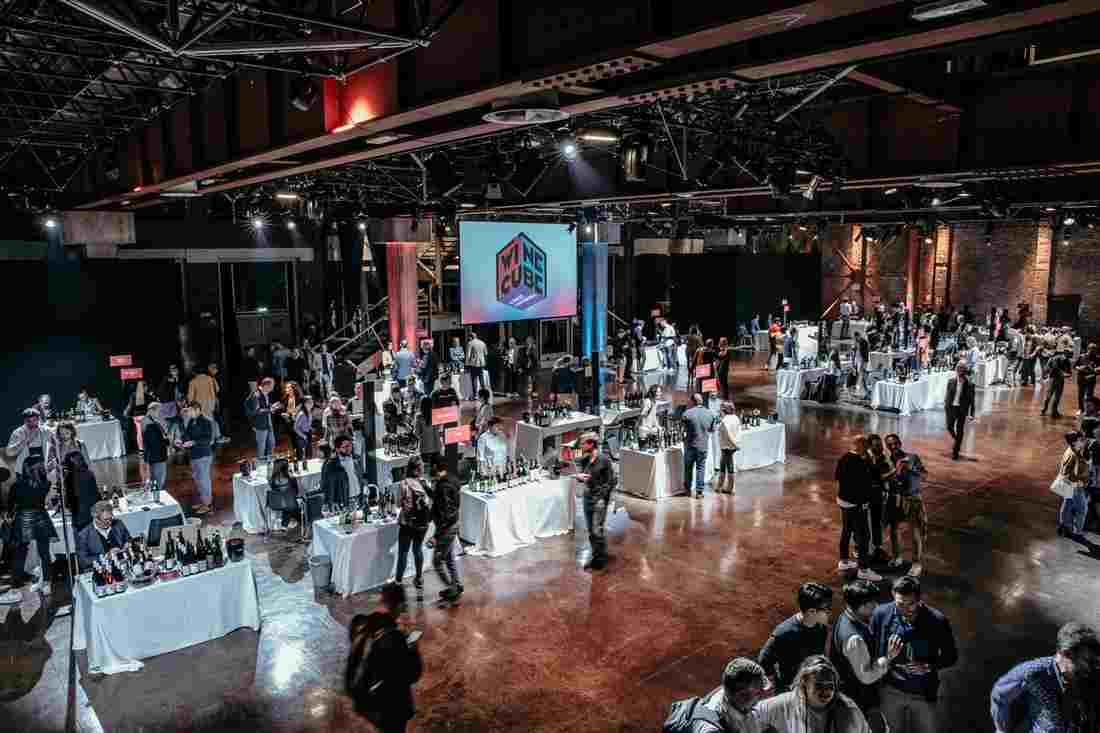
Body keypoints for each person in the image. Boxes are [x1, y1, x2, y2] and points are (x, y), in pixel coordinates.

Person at [870, 576, 958, 733]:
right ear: (893, 596)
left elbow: (951, 656)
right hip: (890, 691)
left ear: (919, 600)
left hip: (923, 693)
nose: (905, 610)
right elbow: (872, 650)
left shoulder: (937, 621)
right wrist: (888, 657)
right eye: (900, 604)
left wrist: (929, 666)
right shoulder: (880, 614)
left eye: (910, 604)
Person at [990, 622, 1100, 733]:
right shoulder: (1033, 672)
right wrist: (1002, 729)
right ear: (1067, 654)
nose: (1089, 666)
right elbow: (999, 695)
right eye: (1086, 660)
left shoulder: (1088, 676)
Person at [345, 583, 423, 733]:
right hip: (388, 707)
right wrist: (412, 647)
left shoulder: (360, 623)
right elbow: (413, 674)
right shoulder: (394, 638)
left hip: (364, 698)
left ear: (381, 600)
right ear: (400, 606)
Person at [831, 580, 904, 730]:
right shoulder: (855, 639)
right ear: (862, 606)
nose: (876, 606)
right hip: (858, 700)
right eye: (872, 603)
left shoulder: (846, 616)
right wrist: (889, 657)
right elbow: (866, 677)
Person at [751, 655, 871, 733]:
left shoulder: (848, 710)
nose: (826, 691)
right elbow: (751, 714)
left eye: (830, 686)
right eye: (819, 686)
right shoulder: (785, 704)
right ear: (804, 683)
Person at [758, 582, 834, 693]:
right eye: (827, 609)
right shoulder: (784, 633)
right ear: (812, 611)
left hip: (810, 686)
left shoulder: (821, 628)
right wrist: (781, 684)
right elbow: (764, 660)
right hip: (790, 690)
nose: (830, 613)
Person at [836, 436, 882, 581]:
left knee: (846, 531)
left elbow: (837, 477)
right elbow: (867, 484)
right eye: (867, 447)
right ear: (862, 446)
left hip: (843, 500)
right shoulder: (860, 463)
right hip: (856, 504)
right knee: (863, 536)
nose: (868, 449)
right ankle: (863, 570)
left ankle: (844, 562)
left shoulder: (844, 458)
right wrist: (865, 502)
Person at [6, 460, 57, 592]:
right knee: (44, 552)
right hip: (40, 517)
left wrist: (10, 514)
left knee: (21, 551)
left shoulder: (17, 485)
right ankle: (46, 583)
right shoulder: (45, 484)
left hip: (24, 518)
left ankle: (16, 582)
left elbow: (10, 504)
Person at [883, 434, 927, 576]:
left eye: (895, 443)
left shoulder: (912, 457)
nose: (893, 446)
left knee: (915, 531)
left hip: (912, 499)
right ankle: (897, 557)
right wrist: (895, 470)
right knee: (894, 529)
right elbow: (882, 478)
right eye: (890, 444)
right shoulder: (886, 461)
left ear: (900, 443)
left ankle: (916, 563)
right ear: (887, 446)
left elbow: (924, 476)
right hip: (894, 498)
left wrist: (911, 469)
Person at [686, 658, 770, 733]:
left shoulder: (733, 694)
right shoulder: (711, 728)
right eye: (758, 693)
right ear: (741, 696)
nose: (762, 696)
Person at [575, 432, 614, 570]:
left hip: (599, 499)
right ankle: (596, 556)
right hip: (587, 497)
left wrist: (602, 498)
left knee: (597, 530)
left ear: (591, 444)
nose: (580, 446)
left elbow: (610, 482)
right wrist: (579, 477)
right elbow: (583, 475)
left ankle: (600, 559)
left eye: (583, 444)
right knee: (591, 530)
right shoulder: (585, 459)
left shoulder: (604, 460)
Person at [394, 457, 432, 590]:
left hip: (407, 522)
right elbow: (430, 500)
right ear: (418, 470)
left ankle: (398, 580)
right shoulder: (425, 482)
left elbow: (398, 504)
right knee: (417, 549)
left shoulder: (404, 484)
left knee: (403, 552)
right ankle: (419, 578)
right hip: (422, 523)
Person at [430, 458, 463, 602]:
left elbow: (445, 513)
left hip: (446, 528)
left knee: (437, 561)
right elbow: (443, 503)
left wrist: (436, 536)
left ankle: (452, 588)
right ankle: (456, 584)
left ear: (435, 467)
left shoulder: (443, 486)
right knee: (449, 558)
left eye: (431, 466)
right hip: (452, 524)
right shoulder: (451, 481)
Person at [75, 499, 132, 573]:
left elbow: (128, 538)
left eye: (111, 518)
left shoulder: (118, 524)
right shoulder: (84, 535)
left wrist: (128, 543)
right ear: (96, 519)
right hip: (102, 571)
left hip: (124, 566)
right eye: (106, 520)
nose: (109, 522)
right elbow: (83, 561)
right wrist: (106, 556)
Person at [179, 401, 214, 514]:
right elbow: (186, 434)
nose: (188, 413)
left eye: (190, 411)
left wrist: (193, 442)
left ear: (197, 410)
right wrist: (182, 441)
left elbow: (208, 439)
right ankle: (203, 501)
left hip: (203, 455)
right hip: (194, 455)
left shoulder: (206, 421)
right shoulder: (191, 421)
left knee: (204, 480)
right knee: (198, 480)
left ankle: (207, 504)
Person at [865, 434, 893, 566]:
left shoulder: (882, 457)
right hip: (869, 497)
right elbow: (879, 477)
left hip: (879, 496)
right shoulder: (867, 459)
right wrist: (896, 471)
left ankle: (876, 548)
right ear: (870, 447)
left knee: (877, 522)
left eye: (880, 444)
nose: (881, 447)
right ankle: (867, 551)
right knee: (869, 523)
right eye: (877, 445)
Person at [1056, 430, 1091, 539]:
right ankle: (1078, 532)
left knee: (1068, 504)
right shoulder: (1073, 455)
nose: (1084, 440)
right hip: (1075, 486)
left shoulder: (1072, 450)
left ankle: (1063, 526)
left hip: (1070, 485)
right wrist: (1079, 482)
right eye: (1081, 439)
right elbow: (1067, 472)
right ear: (1074, 442)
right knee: (1082, 509)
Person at [682, 393, 716, 499]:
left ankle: (687, 490)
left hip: (690, 445)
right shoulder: (710, 414)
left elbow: (683, 430)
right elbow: (712, 430)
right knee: (700, 468)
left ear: (692, 401)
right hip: (703, 445)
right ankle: (699, 492)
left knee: (688, 467)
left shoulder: (687, 414)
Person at [6, 408, 52, 482]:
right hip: (24, 469)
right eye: (28, 421)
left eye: (34, 420)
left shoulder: (46, 431)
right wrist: (25, 441)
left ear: (39, 419)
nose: (32, 423)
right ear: (24, 421)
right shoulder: (18, 433)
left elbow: (55, 446)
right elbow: (9, 452)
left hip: (43, 468)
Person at [944, 362, 976, 460]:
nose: (959, 372)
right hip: (951, 408)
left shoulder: (970, 385)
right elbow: (947, 395)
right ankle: (957, 440)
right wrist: (946, 405)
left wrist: (972, 414)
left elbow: (972, 401)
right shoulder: (951, 381)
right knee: (949, 427)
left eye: (962, 370)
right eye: (958, 369)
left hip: (962, 410)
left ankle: (956, 451)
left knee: (960, 430)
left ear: (964, 372)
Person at [245, 377, 281, 459]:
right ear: (266, 386)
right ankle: (261, 463)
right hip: (260, 425)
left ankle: (269, 461)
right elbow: (257, 410)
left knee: (271, 443)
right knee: (261, 446)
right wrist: (270, 409)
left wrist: (272, 406)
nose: (273, 388)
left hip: (268, 423)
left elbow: (264, 406)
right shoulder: (256, 395)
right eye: (272, 386)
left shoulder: (265, 394)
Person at [321, 435, 359, 507]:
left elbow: (359, 477)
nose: (349, 448)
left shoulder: (356, 459)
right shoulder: (331, 464)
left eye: (350, 445)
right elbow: (327, 485)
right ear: (337, 449)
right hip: (343, 499)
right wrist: (330, 502)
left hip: (357, 496)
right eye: (345, 447)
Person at [65, 452, 100, 532]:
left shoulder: (71, 476)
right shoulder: (87, 474)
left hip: (83, 515)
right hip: (83, 514)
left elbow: (68, 501)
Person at [142, 402, 169, 492]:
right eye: (158, 411)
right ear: (151, 410)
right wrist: (166, 441)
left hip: (154, 456)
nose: (159, 414)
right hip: (157, 457)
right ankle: (157, 497)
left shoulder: (150, 421)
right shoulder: (149, 423)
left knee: (155, 481)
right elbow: (155, 442)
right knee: (158, 481)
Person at [267, 458, 300, 530]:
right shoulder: (292, 479)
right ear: (286, 468)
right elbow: (296, 492)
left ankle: (285, 523)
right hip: (290, 504)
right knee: (293, 503)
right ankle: (290, 521)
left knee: (287, 503)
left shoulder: (272, 480)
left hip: (276, 503)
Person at [187, 362, 220, 432]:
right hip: (210, 404)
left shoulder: (193, 382)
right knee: (211, 421)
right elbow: (216, 391)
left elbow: (190, 397)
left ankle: (205, 435)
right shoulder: (210, 379)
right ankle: (215, 435)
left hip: (198, 406)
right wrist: (214, 404)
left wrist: (190, 406)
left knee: (201, 423)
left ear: (195, 372)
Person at [716, 402, 740, 495]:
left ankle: (729, 487)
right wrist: (737, 443)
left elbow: (728, 434)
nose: (720, 411)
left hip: (727, 445)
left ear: (724, 410)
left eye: (721, 409)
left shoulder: (725, 420)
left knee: (728, 465)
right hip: (731, 445)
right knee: (724, 464)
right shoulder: (736, 418)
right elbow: (739, 432)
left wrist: (734, 444)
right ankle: (720, 485)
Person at [158, 363, 186, 443]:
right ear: (170, 371)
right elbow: (172, 384)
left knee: (178, 423)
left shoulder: (177, 380)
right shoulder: (168, 378)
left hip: (174, 406)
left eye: (175, 369)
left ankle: (178, 441)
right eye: (172, 369)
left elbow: (180, 391)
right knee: (172, 425)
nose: (174, 371)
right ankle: (171, 442)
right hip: (169, 406)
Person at [1042, 348, 1073, 419]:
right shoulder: (1056, 358)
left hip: (1060, 380)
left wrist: (1068, 375)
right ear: (1065, 352)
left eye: (1071, 353)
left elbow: (1069, 372)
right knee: (1049, 395)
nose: (1071, 354)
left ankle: (1053, 411)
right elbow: (1053, 368)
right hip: (1053, 379)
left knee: (1057, 396)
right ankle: (1045, 409)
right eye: (1069, 353)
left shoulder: (1067, 361)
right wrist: (1063, 374)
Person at [123, 379, 151, 453]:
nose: (147, 388)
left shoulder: (133, 395)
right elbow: (150, 407)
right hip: (145, 416)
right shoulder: (147, 396)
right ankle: (147, 447)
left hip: (136, 416)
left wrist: (128, 414)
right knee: (146, 432)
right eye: (146, 386)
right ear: (143, 387)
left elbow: (131, 406)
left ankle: (141, 449)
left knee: (139, 432)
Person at [414, 396, 441, 467]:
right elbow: (439, 428)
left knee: (426, 470)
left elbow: (416, 433)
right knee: (436, 470)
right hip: (436, 446)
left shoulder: (419, 416)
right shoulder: (436, 415)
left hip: (424, 448)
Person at [1074, 343, 1099, 416]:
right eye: (1091, 349)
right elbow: (1075, 366)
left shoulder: (1097, 358)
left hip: (1091, 378)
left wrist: (1097, 369)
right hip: (1081, 378)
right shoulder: (1082, 356)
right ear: (1088, 349)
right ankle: (1080, 409)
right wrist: (1079, 368)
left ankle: (1088, 409)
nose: (1092, 351)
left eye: (1094, 349)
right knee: (1080, 394)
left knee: (1089, 395)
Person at [465, 332, 490, 396]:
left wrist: (466, 364)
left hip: (473, 363)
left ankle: (475, 394)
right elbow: (486, 353)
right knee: (481, 378)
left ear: (471, 337)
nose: (468, 338)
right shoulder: (482, 343)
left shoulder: (470, 343)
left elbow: (468, 355)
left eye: (469, 337)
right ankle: (484, 393)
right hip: (481, 363)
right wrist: (485, 362)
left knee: (474, 379)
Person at [293, 395, 314, 464]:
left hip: (308, 434)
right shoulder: (301, 414)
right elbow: (295, 427)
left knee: (308, 456)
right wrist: (303, 436)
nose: (312, 403)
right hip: (302, 437)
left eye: (312, 401)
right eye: (309, 402)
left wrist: (310, 428)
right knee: (302, 457)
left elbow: (306, 424)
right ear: (305, 404)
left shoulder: (309, 412)